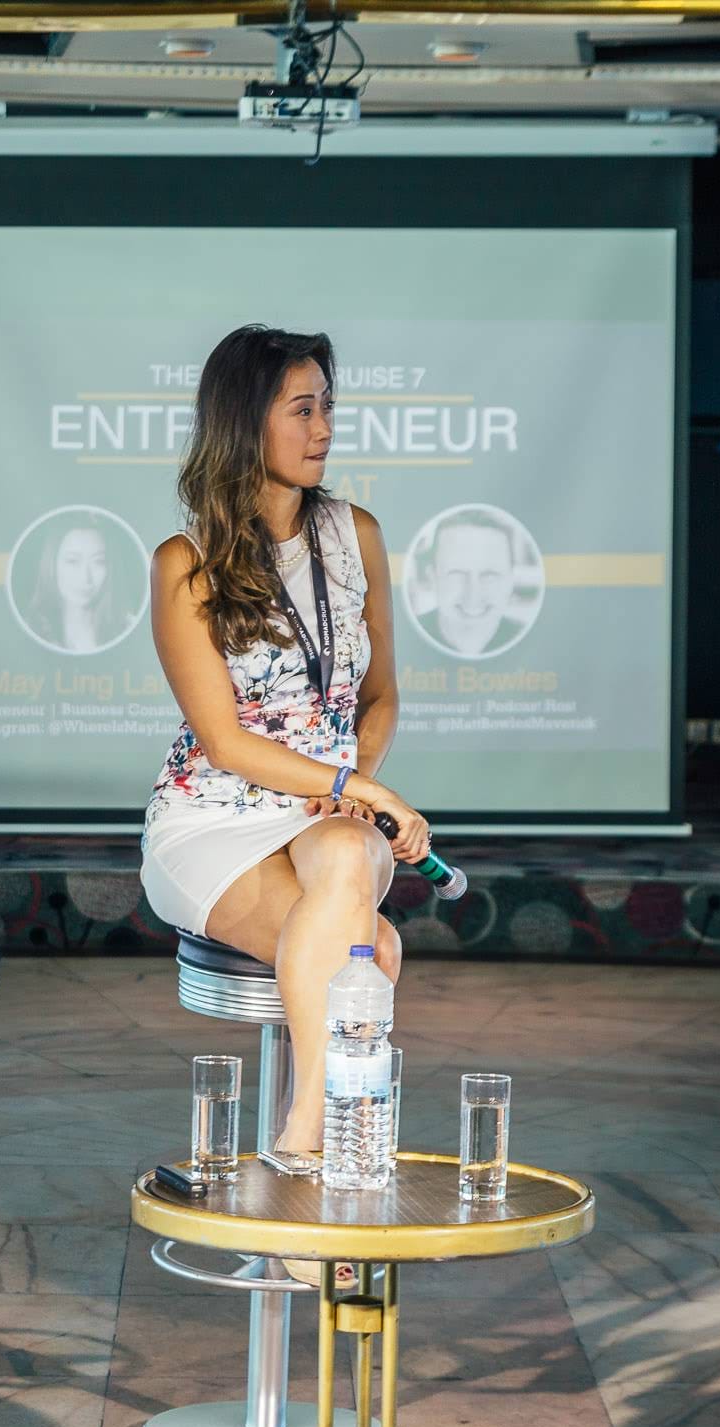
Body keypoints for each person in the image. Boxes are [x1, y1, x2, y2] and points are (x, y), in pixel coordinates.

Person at [141, 325, 431, 1167]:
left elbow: (379, 695)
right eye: (303, 410)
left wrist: (353, 786)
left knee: (345, 849)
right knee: (375, 950)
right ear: (245, 422)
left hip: (325, 812)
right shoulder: (185, 562)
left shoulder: (355, 532)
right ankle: (330, 1140)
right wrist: (359, 788)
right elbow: (224, 741)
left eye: (327, 407)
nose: (325, 428)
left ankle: (303, 1140)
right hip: (213, 819)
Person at [414, 509, 535, 657]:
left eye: (489, 575)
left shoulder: (535, 644)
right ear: (433, 578)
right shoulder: (404, 639)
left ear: (511, 580)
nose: (473, 595)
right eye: (457, 573)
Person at [21, 521, 135, 654]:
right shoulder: (28, 630)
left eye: (98, 561)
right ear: (52, 565)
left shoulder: (130, 629)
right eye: (72, 561)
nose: (85, 578)